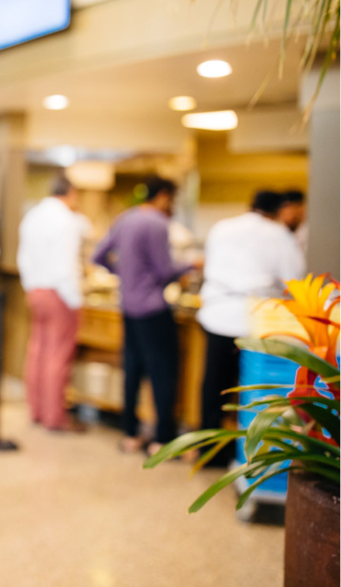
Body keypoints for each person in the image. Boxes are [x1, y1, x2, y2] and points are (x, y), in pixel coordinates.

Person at [92, 176, 201, 455]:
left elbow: (99, 256)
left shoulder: (125, 219)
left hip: (128, 307)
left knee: (132, 370)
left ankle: (130, 433)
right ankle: (161, 439)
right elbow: (165, 272)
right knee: (163, 373)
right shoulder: (157, 224)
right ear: (163, 196)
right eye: (172, 199)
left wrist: (125, 275)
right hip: (153, 309)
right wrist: (191, 265)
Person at [197, 191, 305, 452]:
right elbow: (295, 277)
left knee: (214, 383)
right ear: (278, 210)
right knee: (250, 386)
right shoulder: (279, 234)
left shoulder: (222, 227)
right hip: (253, 319)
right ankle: (246, 451)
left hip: (216, 314)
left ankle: (209, 450)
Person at [18, 175, 88, 432]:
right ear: (71, 192)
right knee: (58, 355)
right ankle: (55, 416)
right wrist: (75, 300)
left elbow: (23, 258)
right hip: (59, 292)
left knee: (38, 349)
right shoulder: (66, 220)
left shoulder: (33, 216)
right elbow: (66, 266)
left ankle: (37, 410)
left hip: (35, 289)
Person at [278, 189, 308, 256]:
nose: (291, 211)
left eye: (296, 206)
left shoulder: (312, 233)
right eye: (287, 207)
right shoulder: (275, 233)